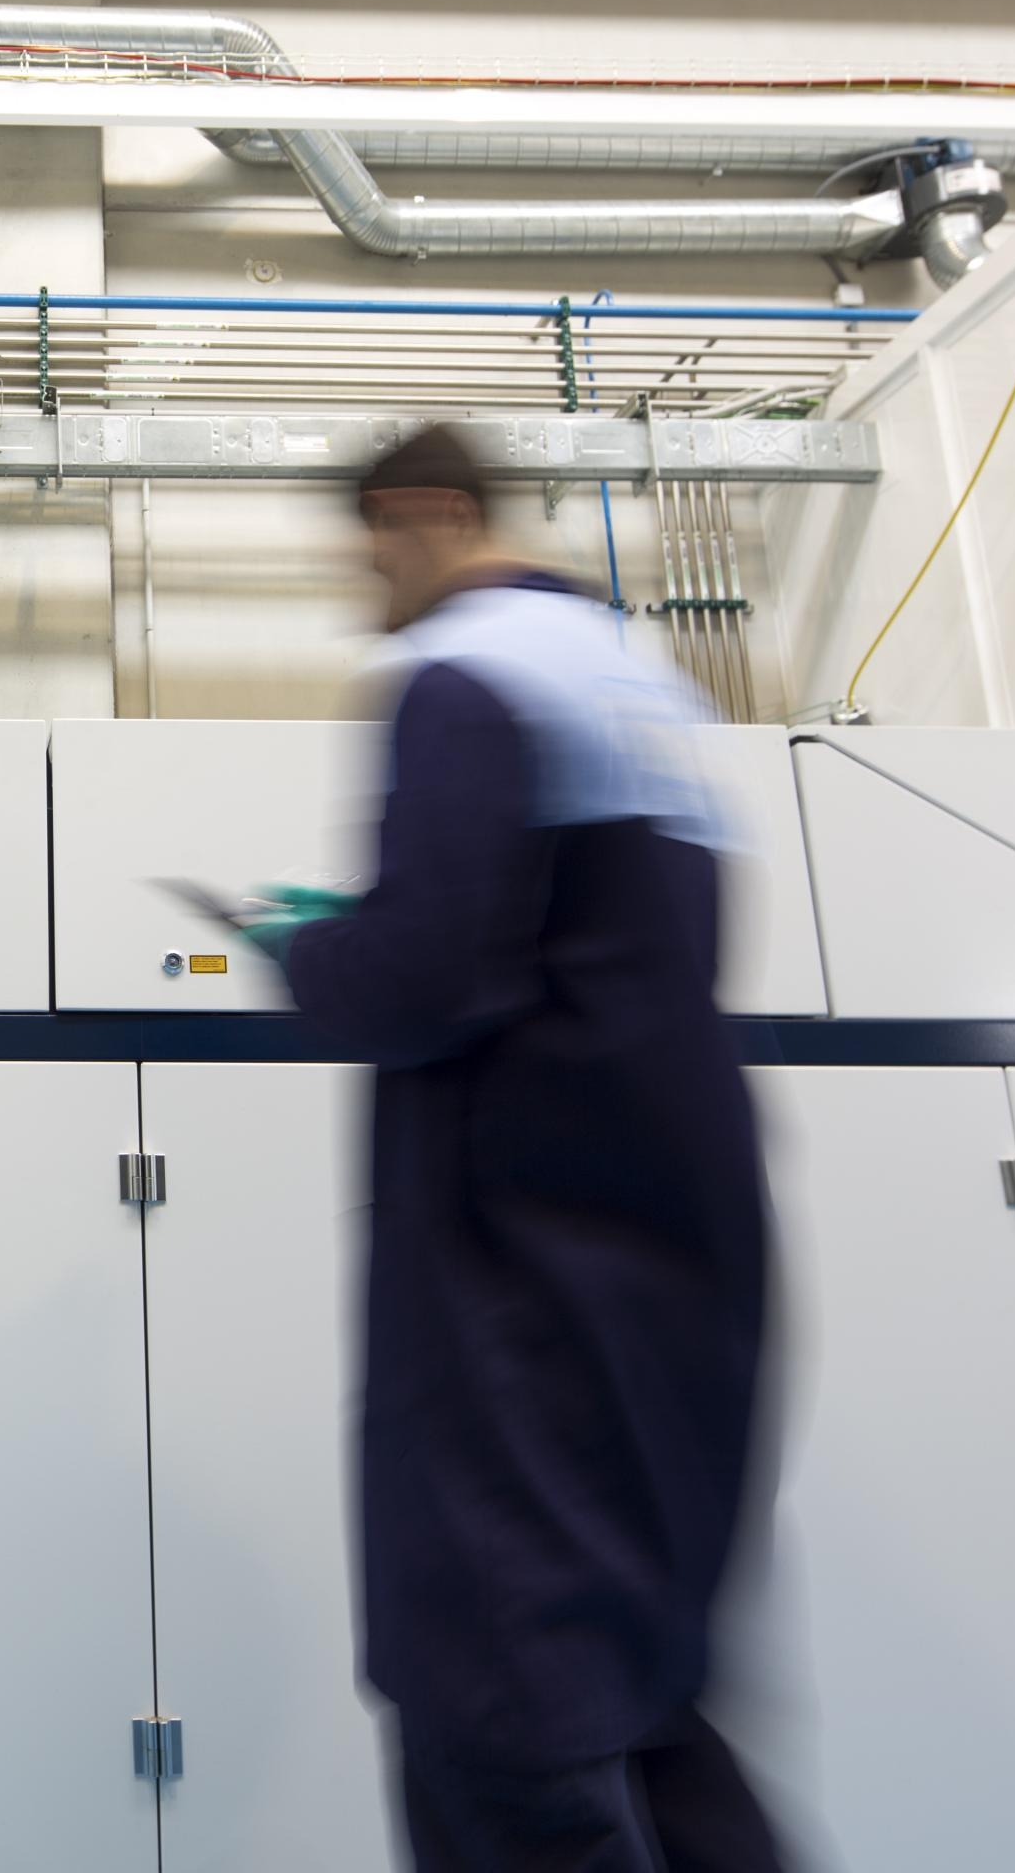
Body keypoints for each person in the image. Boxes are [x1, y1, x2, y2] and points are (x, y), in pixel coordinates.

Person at [239, 426, 782, 1873]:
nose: (367, 587)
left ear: (427, 511)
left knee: (502, 1715)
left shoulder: (463, 673)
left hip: (515, 1283)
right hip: (672, 1271)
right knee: (647, 1707)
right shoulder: (643, 682)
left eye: (369, 548)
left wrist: (310, 952)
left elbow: (426, 983)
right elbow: (612, 959)